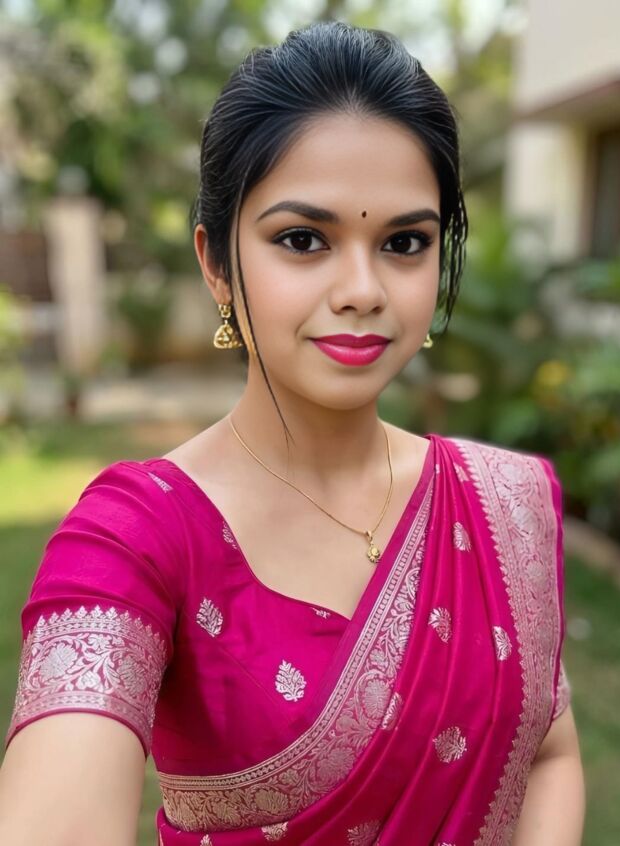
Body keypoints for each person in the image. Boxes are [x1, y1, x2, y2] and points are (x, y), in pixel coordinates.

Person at [0, 21, 585, 846]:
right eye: (303, 240)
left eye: (405, 243)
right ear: (215, 264)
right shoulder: (136, 536)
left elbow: (550, 748)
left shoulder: (504, 505)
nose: (362, 289)